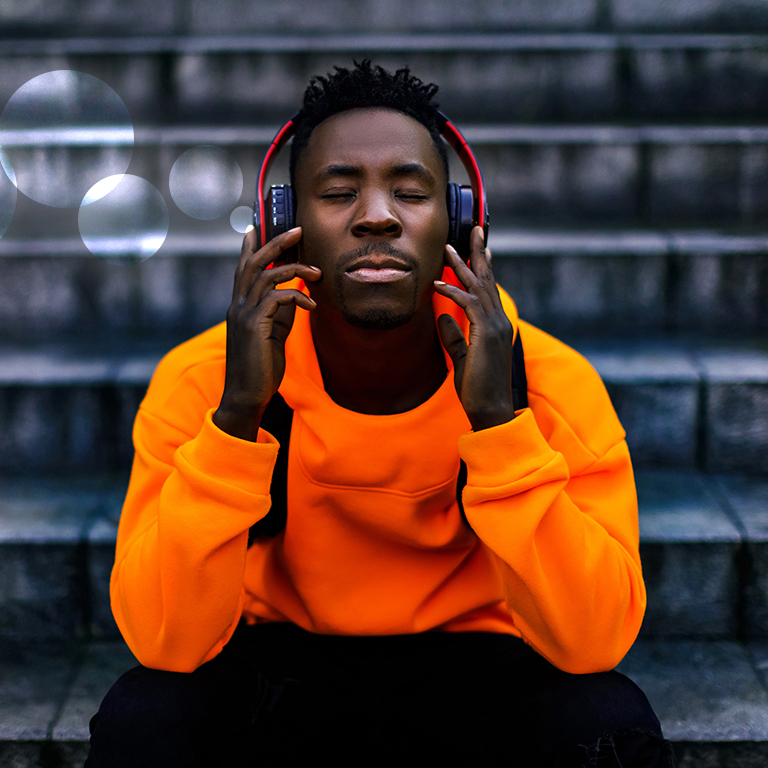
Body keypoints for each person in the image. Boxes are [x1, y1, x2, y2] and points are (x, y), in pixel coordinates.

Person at [86, 62, 674, 766]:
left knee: (606, 721)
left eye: (410, 191)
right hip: (280, 672)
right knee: (144, 719)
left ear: (459, 220)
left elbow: (593, 642)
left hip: (474, 666)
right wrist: (238, 416)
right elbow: (165, 645)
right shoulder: (200, 381)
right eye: (338, 192)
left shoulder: (548, 383)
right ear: (285, 222)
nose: (377, 215)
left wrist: (498, 424)